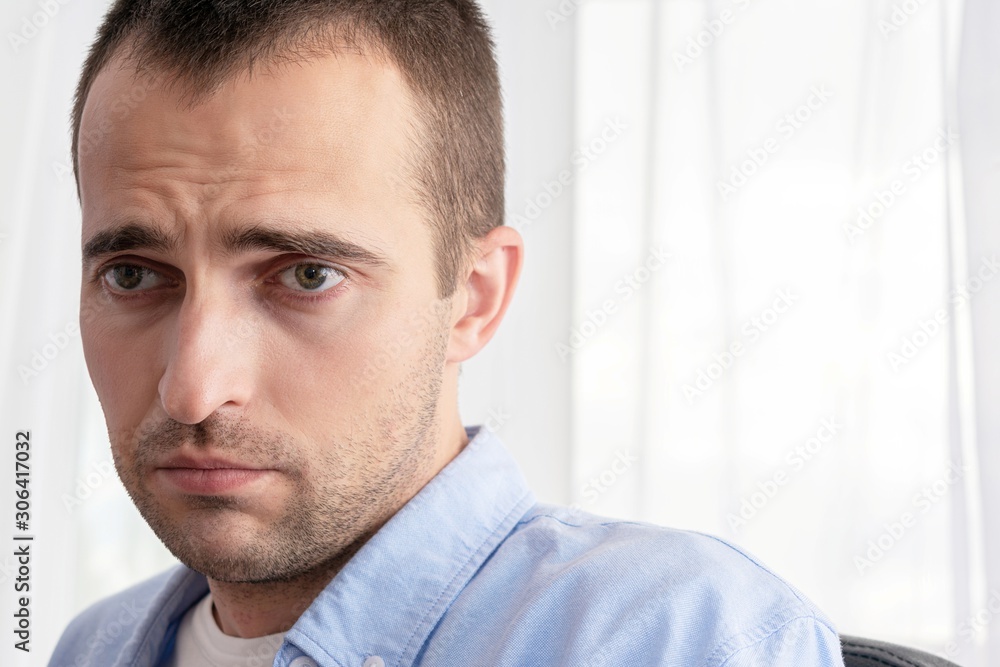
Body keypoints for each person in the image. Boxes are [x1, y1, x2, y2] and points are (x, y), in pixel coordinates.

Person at [51, 1, 846, 665]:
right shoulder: (93, 647)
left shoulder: (680, 638)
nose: (191, 385)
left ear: (473, 296)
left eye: (305, 276)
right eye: (132, 274)